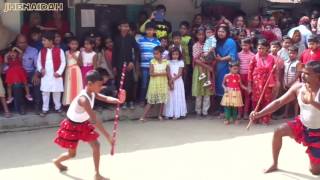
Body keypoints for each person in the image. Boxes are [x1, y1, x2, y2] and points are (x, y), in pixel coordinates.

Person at [249, 61, 320, 175]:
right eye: (303, 72)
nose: (303, 75)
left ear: (318, 77)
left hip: (318, 134)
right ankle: (274, 163)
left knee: (315, 171)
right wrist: (259, 113)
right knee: (279, 131)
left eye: (307, 73)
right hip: (302, 125)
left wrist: (312, 102)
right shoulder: (298, 87)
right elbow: (279, 102)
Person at [53, 70, 126, 180]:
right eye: (99, 85)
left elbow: (105, 98)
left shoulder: (92, 92)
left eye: (102, 85)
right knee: (72, 154)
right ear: (90, 84)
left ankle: (97, 174)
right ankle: (57, 161)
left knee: (96, 145)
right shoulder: (83, 100)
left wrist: (118, 100)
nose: (101, 87)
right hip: (71, 126)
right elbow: (94, 120)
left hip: (83, 124)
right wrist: (108, 137)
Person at [248, 39, 277, 125]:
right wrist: (249, 84)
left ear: (267, 48)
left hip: (268, 82)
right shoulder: (254, 58)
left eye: (263, 48)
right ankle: (255, 117)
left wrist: (274, 82)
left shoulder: (272, 58)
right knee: (256, 100)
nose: (260, 50)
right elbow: (250, 70)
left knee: (266, 100)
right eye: (259, 48)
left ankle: (265, 118)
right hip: (257, 82)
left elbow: (274, 72)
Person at [37, 31, 66, 116]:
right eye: (42, 40)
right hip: (46, 75)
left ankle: (58, 107)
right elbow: (38, 62)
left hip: (56, 75)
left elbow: (63, 62)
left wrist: (59, 72)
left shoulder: (59, 50)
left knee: (56, 92)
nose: (43, 42)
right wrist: (41, 69)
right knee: (45, 92)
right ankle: (45, 109)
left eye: (44, 40)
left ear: (51, 41)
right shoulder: (41, 51)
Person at [112, 20, 140, 110]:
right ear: (119, 27)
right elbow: (114, 53)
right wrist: (114, 66)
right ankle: (122, 101)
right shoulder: (116, 38)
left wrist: (132, 62)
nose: (125, 28)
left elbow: (136, 50)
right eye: (123, 26)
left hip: (129, 65)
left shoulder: (131, 38)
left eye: (127, 26)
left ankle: (130, 101)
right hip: (119, 64)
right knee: (120, 84)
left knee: (129, 83)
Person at [139, 46, 170, 121]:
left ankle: (160, 115)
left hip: (163, 83)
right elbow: (151, 73)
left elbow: (168, 73)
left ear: (161, 53)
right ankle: (143, 116)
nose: (155, 55)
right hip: (154, 83)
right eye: (154, 54)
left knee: (162, 100)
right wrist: (162, 74)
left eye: (156, 53)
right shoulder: (152, 61)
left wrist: (170, 81)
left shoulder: (166, 62)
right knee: (151, 101)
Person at [215, 26, 238, 116]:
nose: (220, 33)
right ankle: (221, 110)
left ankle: (227, 111)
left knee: (228, 87)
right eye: (219, 31)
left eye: (223, 32)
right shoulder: (216, 41)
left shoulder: (230, 41)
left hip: (228, 67)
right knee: (219, 87)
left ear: (227, 32)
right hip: (218, 67)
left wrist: (221, 59)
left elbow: (232, 55)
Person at [15, 34, 42, 114]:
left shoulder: (33, 50)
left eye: (25, 42)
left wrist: (36, 74)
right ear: (17, 43)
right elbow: (7, 66)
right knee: (17, 86)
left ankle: (37, 106)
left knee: (37, 82)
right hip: (18, 73)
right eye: (20, 42)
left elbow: (38, 65)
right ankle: (21, 106)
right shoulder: (13, 51)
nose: (23, 44)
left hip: (30, 72)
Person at [192, 28, 214, 116]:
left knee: (207, 90)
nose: (201, 36)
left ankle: (205, 111)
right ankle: (198, 110)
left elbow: (212, 56)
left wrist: (210, 64)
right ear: (196, 36)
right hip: (199, 70)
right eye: (199, 34)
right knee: (199, 91)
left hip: (207, 70)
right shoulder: (195, 45)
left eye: (203, 34)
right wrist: (207, 66)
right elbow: (196, 60)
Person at [137, 22, 161, 103]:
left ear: (154, 31)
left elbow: (159, 55)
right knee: (144, 84)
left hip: (153, 67)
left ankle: (150, 101)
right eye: (148, 30)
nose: (149, 31)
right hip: (143, 66)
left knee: (152, 85)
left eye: (151, 30)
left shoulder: (157, 42)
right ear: (145, 31)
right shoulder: (140, 40)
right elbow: (138, 53)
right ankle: (141, 100)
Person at [163, 47, 187, 119]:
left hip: (178, 81)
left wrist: (173, 79)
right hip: (170, 81)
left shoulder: (181, 62)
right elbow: (168, 71)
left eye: (176, 54)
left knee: (177, 96)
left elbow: (180, 73)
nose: (175, 56)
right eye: (173, 54)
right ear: (171, 54)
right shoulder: (168, 62)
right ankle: (169, 113)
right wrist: (170, 80)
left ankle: (177, 113)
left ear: (179, 55)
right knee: (170, 96)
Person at [238, 38, 255, 119]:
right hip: (240, 76)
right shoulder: (238, 55)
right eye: (243, 45)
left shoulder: (253, 56)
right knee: (239, 95)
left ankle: (245, 113)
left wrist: (250, 80)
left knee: (247, 95)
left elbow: (253, 69)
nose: (244, 47)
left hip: (248, 77)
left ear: (250, 45)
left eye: (246, 45)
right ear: (240, 45)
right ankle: (239, 113)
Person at [63, 37, 83, 106]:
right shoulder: (66, 52)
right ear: (69, 44)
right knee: (68, 86)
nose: (74, 45)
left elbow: (81, 64)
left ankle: (76, 102)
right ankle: (69, 102)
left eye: (76, 44)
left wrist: (75, 57)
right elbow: (65, 63)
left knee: (77, 86)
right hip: (68, 71)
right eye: (72, 44)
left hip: (76, 71)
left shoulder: (79, 53)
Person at [282, 45, 299, 118]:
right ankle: (285, 114)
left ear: (296, 54)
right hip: (286, 83)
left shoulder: (298, 63)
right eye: (290, 53)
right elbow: (283, 73)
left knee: (295, 100)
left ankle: (296, 115)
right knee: (286, 99)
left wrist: (290, 83)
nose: (291, 55)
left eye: (293, 53)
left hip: (294, 84)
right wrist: (284, 83)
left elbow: (297, 75)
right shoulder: (285, 62)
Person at [179, 21, 193, 97]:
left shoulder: (189, 39)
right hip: (178, 61)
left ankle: (185, 95)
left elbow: (191, 52)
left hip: (187, 62)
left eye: (184, 29)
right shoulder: (177, 37)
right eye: (181, 28)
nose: (182, 30)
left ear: (187, 30)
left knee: (186, 78)